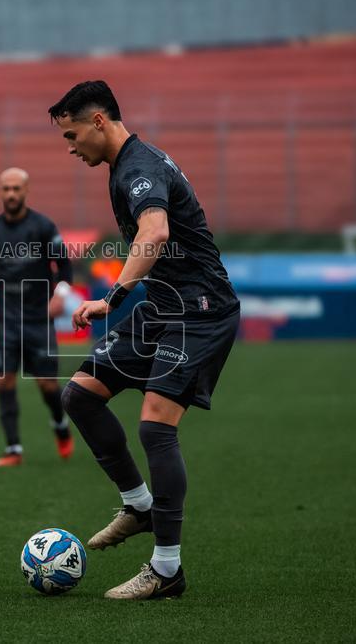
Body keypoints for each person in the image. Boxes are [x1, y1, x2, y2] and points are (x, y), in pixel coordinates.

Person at [48, 81, 240, 600]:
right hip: (164, 306)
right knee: (80, 396)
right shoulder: (129, 165)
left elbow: (153, 234)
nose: (70, 147)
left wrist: (112, 298)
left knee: (156, 426)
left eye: (71, 134)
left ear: (98, 122)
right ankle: (138, 506)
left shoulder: (138, 168)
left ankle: (166, 569)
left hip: (199, 310)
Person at [0, 167, 74, 467]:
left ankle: (60, 425)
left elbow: (64, 266)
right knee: (4, 381)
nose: (11, 194)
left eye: (16, 188)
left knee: (47, 386)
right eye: (6, 189)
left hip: (39, 320)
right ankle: (13, 449)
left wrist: (61, 295)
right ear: (0, 191)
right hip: (6, 321)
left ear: (26, 191)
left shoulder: (43, 227)